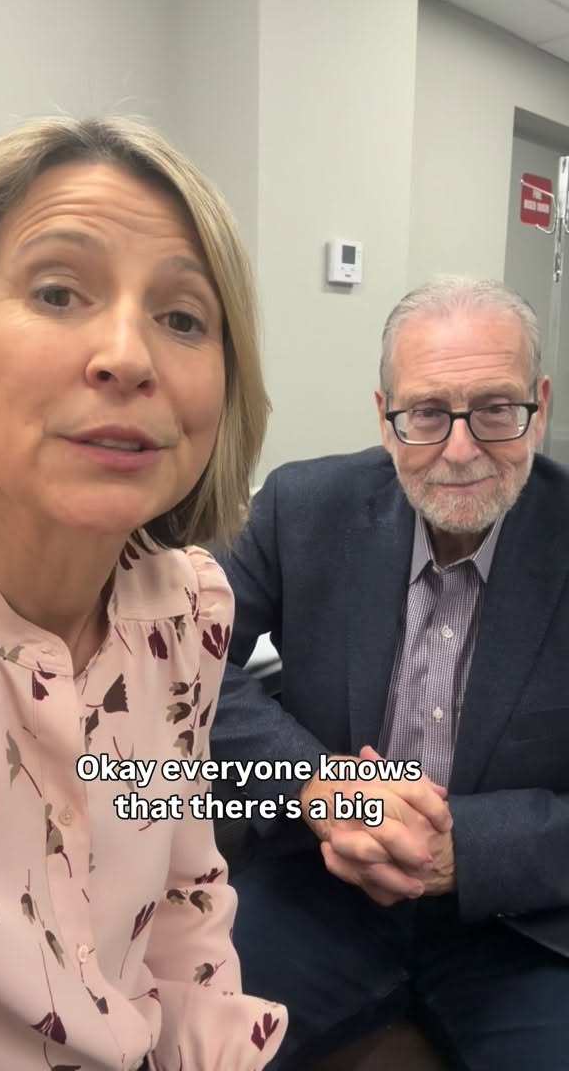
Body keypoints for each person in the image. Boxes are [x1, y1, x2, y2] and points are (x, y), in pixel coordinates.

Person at [0, 117, 286, 1071]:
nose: (128, 356)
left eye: (183, 318)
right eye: (58, 293)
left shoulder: (191, 613)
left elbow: (183, 903)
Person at [211, 276, 569, 1071]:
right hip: (318, 885)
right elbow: (184, 661)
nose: (461, 451)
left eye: (497, 409)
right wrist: (315, 783)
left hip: (522, 919)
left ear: (539, 405)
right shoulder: (300, 508)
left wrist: (471, 847)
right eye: (427, 414)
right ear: (383, 415)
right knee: (187, 1045)